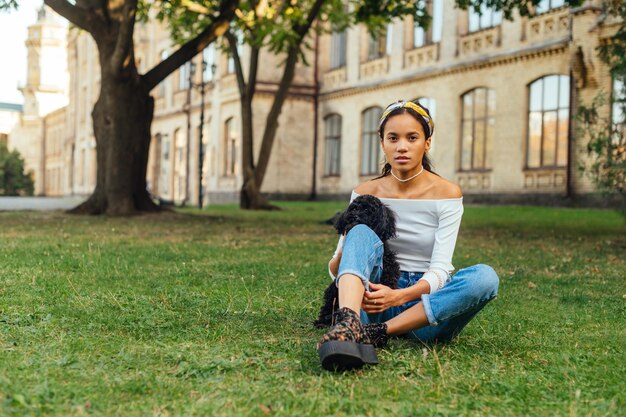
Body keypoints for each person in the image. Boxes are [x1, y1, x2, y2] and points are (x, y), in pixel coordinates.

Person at [317, 100, 500, 371]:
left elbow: (439, 269)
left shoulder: (447, 194)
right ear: (382, 143)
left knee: (485, 277)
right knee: (361, 231)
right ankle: (349, 325)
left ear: (426, 143)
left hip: (423, 311)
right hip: (372, 299)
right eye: (393, 138)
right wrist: (352, 236)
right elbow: (336, 270)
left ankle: (378, 333)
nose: (401, 146)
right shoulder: (365, 191)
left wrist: (401, 296)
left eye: (412, 137)